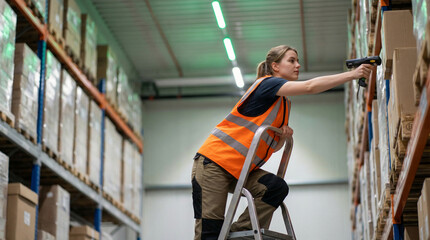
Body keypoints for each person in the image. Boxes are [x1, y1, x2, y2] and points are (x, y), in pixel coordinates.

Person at [191, 45, 373, 239]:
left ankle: (238, 234)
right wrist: (352, 75)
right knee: (209, 232)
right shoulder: (267, 84)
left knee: (275, 187)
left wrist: (283, 138)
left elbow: (272, 146)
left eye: (297, 61)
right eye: (292, 60)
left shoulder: (283, 103)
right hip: (214, 164)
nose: (298, 65)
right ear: (275, 66)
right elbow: (310, 87)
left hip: (240, 171)